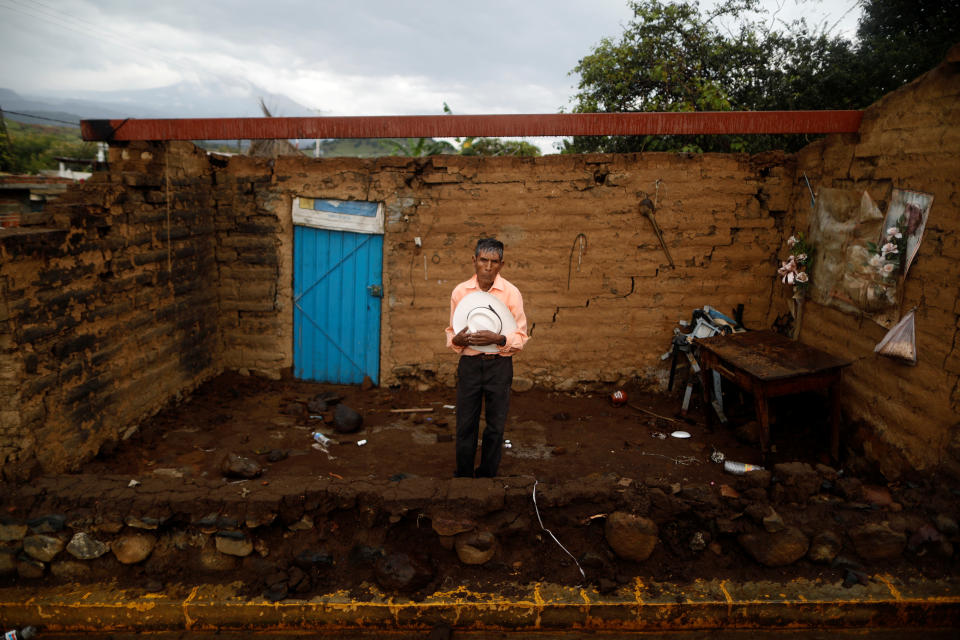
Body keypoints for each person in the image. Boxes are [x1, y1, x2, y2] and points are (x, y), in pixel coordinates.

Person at [445, 238, 528, 478]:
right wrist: (458, 341)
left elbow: (520, 337)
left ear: (501, 264)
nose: (488, 267)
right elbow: (453, 332)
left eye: (494, 262)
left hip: (499, 366)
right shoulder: (460, 292)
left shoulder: (511, 293)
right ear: (474, 261)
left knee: (495, 425)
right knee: (465, 423)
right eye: (483, 260)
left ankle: (488, 474)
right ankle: (463, 474)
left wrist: (500, 338)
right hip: (470, 365)